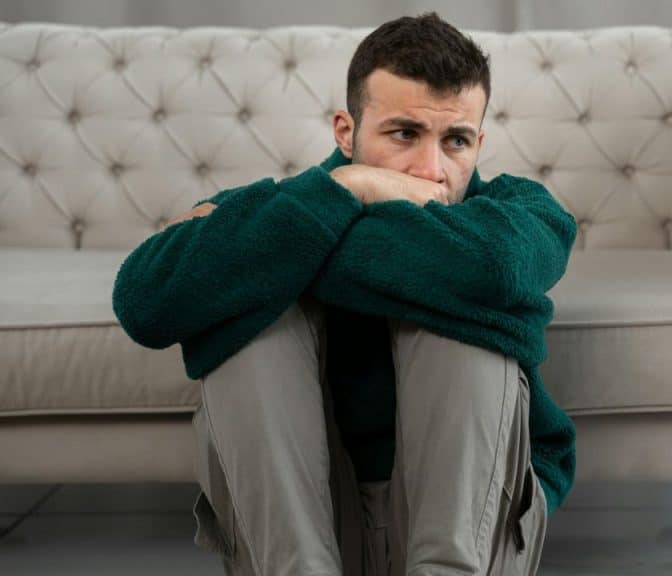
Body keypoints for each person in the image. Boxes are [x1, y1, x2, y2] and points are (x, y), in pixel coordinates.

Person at [111, 12, 578, 576]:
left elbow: (493, 267)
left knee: (454, 325)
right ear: (346, 132)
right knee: (254, 326)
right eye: (404, 134)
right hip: (306, 528)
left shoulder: (519, 213)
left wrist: (275, 244)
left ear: (479, 142)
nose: (430, 171)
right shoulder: (288, 204)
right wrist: (347, 189)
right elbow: (144, 301)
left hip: (471, 531)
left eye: (455, 141)